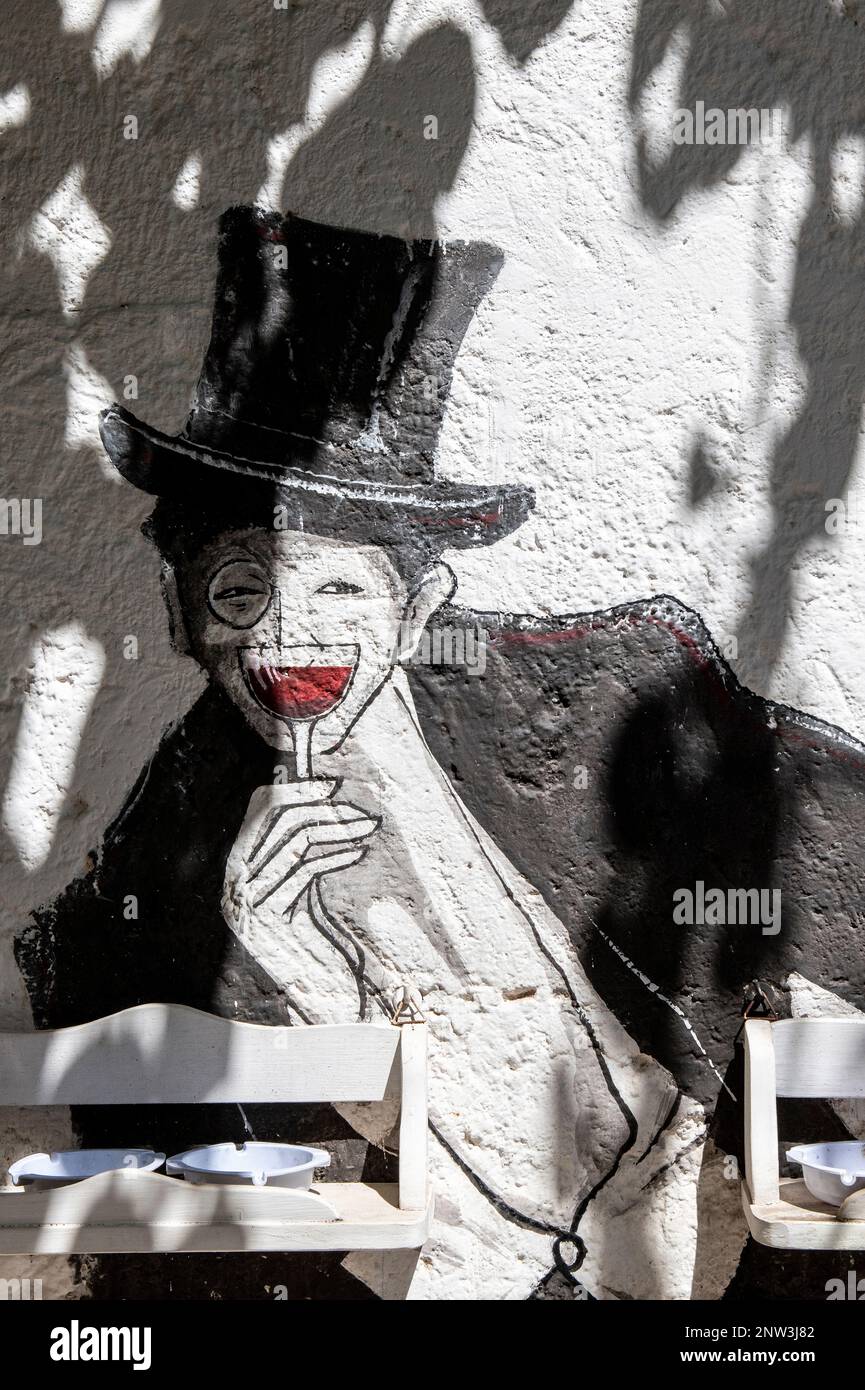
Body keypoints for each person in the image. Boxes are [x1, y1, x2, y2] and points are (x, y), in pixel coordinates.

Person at [18, 206, 837, 1302]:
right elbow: (177, 1208)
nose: (282, 637)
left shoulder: (620, 701)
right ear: (182, 614)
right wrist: (303, 975)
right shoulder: (160, 854)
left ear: (418, 606)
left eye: (340, 584)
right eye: (239, 586)